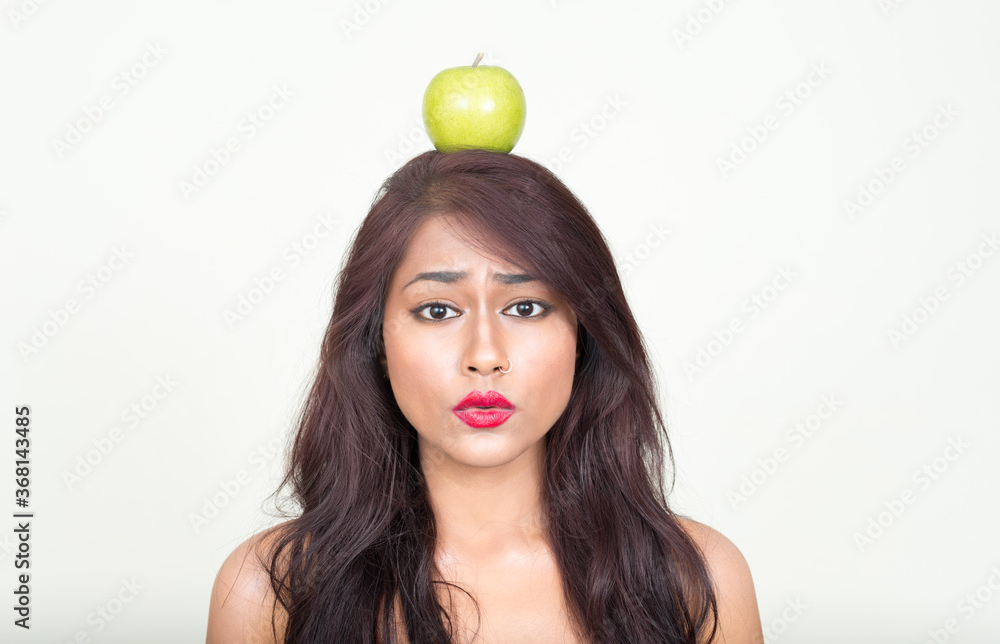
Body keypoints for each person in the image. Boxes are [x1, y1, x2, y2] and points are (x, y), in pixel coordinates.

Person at [206, 149, 763, 643]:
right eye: (438, 309)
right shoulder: (269, 592)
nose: (485, 354)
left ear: (582, 335)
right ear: (377, 340)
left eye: (525, 307)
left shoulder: (698, 579)